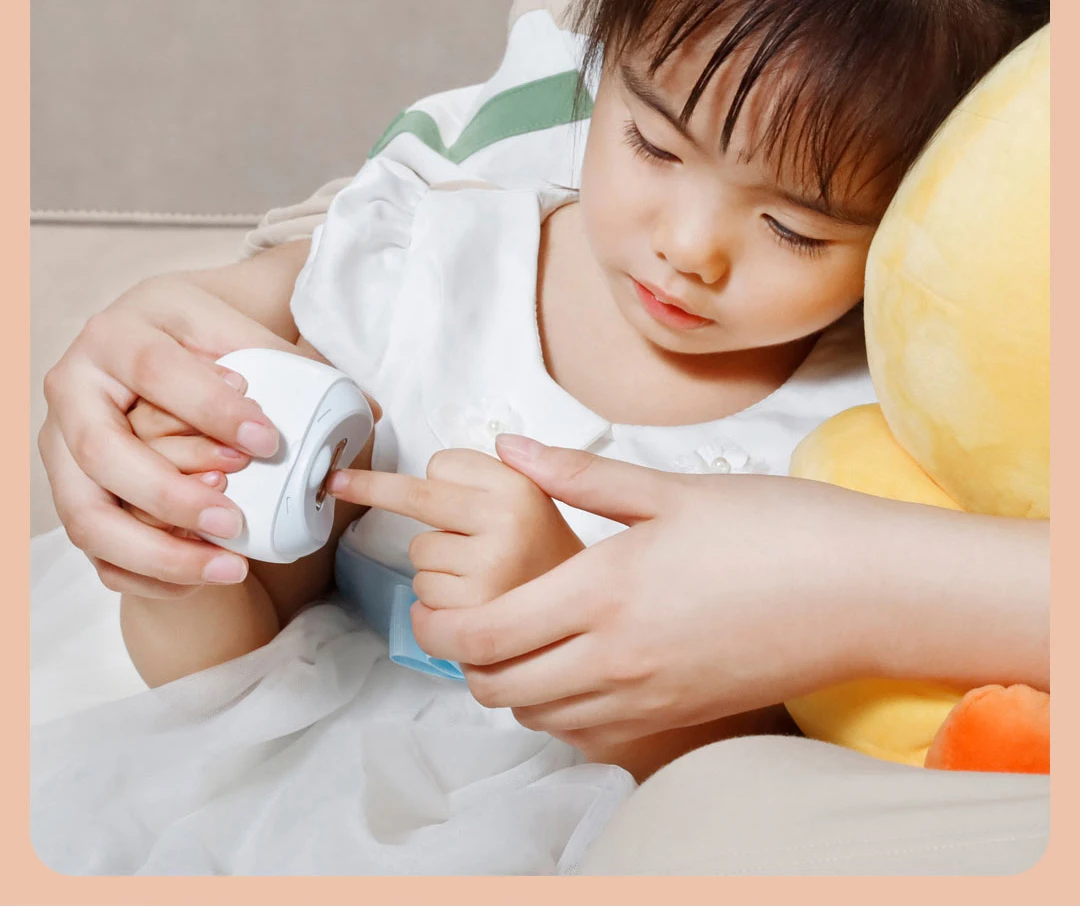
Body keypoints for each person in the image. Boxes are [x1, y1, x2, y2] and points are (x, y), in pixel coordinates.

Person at [32, 0, 1050, 874]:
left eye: (795, 229)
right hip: (261, 759)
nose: (688, 249)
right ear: (600, 70)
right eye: (653, 146)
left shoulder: (851, 438)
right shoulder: (429, 262)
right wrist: (183, 555)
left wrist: (564, 621)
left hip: (572, 819)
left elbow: (738, 769)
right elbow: (229, 669)